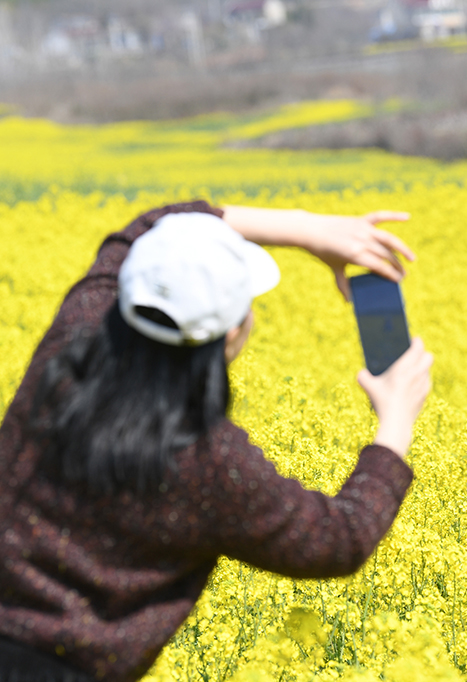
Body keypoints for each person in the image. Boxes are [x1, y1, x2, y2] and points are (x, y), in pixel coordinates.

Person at [0, 200, 433, 682]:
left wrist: (309, 229)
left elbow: (144, 227)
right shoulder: (208, 462)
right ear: (233, 334)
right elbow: (340, 538)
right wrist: (396, 422)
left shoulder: (66, 352)